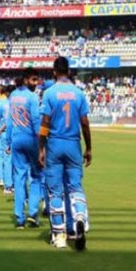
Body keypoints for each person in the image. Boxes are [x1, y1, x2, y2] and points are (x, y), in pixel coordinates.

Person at [39, 57, 93, 250]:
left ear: (54, 72)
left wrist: (41, 147)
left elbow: (45, 123)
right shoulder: (78, 93)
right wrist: (89, 147)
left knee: (55, 191)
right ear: (69, 72)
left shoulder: (49, 93)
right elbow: (85, 123)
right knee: (75, 187)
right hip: (73, 145)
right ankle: (79, 220)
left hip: (54, 144)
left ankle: (59, 235)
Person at [7, 73, 43, 229]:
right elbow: (36, 120)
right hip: (31, 139)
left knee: (19, 178)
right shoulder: (32, 97)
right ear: (27, 80)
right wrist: (41, 144)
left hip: (16, 139)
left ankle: (19, 218)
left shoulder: (14, 96)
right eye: (34, 80)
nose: (36, 83)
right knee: (36, 176)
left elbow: (9, 120)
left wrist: (8, 141)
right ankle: (33, 213)